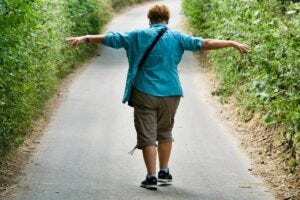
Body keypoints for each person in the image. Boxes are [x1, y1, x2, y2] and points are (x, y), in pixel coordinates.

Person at [67, 4, 251, 190]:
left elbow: (113, 39)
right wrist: (230, 43)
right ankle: (164, 171)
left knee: (147, 135)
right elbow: (204, 43)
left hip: (144, 92)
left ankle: (151, 177)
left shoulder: (137, 35)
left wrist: (86, 38)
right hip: (171, 93)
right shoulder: (177, 37)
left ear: (150, 20)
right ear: (167, 20)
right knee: (165, 132)